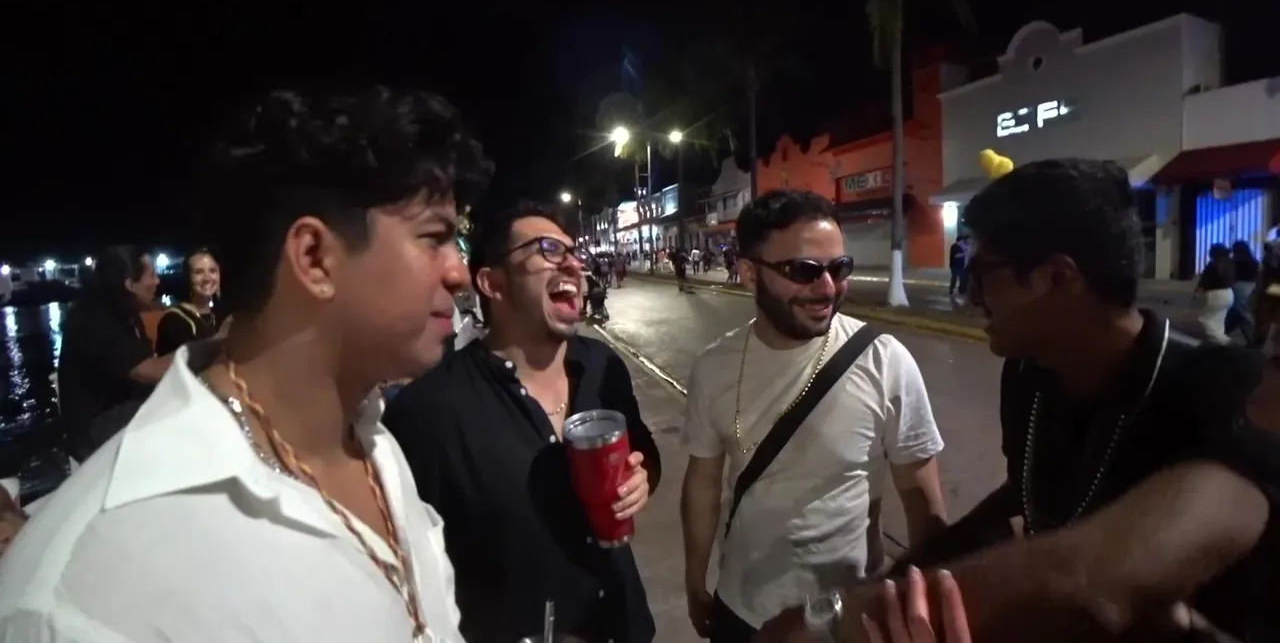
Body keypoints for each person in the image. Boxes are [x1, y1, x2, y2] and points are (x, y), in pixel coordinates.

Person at [0, 86, 492, 642]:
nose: (459, 273)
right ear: (314, 258)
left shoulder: (373, 442)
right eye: (434, 238)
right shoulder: (86, 596)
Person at [753, 159, 1280, 642]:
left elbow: (1087, 578)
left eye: (984, 275)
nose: (971, 296)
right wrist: (898, 582)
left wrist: (833, 621)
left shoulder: (1225, 388)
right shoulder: (1030, 375)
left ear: (1056, 278)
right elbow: (1020, 499)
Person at [384, 201, 660, 643]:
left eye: (573, 252)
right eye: (548, 249)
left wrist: (642, 479)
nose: (573, 263)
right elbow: (412, 579)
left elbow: (643, 450)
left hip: (625, 626)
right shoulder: (429, 413)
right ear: (492, 283)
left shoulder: (601, 366)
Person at [681, 190, 946, 643]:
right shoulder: (713, 368)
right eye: (803, 271)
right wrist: (694, 581)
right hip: (743, 612)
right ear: (749, 273)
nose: (827, 288)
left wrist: (922, 606)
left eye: (839, 268)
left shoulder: (885, 361)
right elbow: (702, 485)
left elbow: (922, 500)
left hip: (851, 619)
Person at [56, 245, 168, 462]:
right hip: (92, 432)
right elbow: (149, 371)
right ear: (130, 284)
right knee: (170, 409)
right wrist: (211, 348)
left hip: (121, 410)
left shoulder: (128, 314)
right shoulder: (92, 319)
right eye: (152, 275)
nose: (157, 281)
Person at [154, 248, 224, 356]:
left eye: (212, 271)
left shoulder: (220, 316)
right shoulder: (174, 321)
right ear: (188, 278)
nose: (207, 278)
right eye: (198, 272)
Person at [1193, 243, 1234, 344]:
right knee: (1218, 321)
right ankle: (1220, 340)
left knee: (1207, 320)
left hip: (1216, 294)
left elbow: (1205, 281)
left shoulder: (1213, 265)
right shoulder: (1229, 263)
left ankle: (1222, 341)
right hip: (1228, 293)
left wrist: (1197, 292)